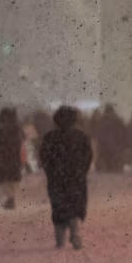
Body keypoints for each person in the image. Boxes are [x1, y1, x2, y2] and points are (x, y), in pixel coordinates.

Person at [39, 106, 93, 249]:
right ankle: (75, 231)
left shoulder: (49, 137)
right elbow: (88, 156)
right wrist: (82, 171)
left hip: (56, 178)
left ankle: (60, 238)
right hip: (76, 177)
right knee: (75, 205)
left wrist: (50, 172)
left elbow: (44, 157)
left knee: (58, 205)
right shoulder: (81, 136)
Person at [0, 107, 24, 209]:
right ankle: (11, 199)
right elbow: (21, 141)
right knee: (12, 178)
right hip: (15, 156)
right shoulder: (18, 127)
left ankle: (10, 199)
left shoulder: (2, 127)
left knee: (3, 179)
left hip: (4, 156)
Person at [94, 104, 128, 173]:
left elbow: (99, 133)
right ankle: (114, 169)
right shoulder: (118, 120)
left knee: (108, 159)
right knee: (114, 159)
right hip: (115, 144)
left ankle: (110, 169)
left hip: (107, 145)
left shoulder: (102, 120)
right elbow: (124, 132)